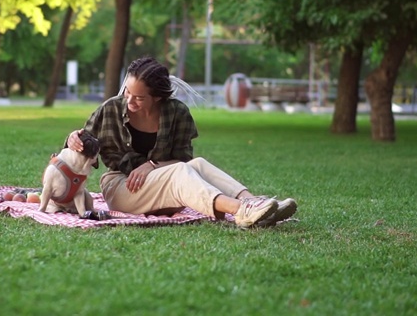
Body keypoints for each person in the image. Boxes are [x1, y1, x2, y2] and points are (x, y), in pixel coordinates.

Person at [66, 56, 297, 228]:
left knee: (198, 164)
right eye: (127, 93)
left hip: (165, 189)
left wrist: (152, 165)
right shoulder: (110, 109)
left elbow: (184, 160)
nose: (129, 101)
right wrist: (72, 139)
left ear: (157, 97)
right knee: (179, 171)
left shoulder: (176, 113)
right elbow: (80, 145)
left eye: (138, 97)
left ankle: (255, 203)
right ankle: (241, 211)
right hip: (123, 188)